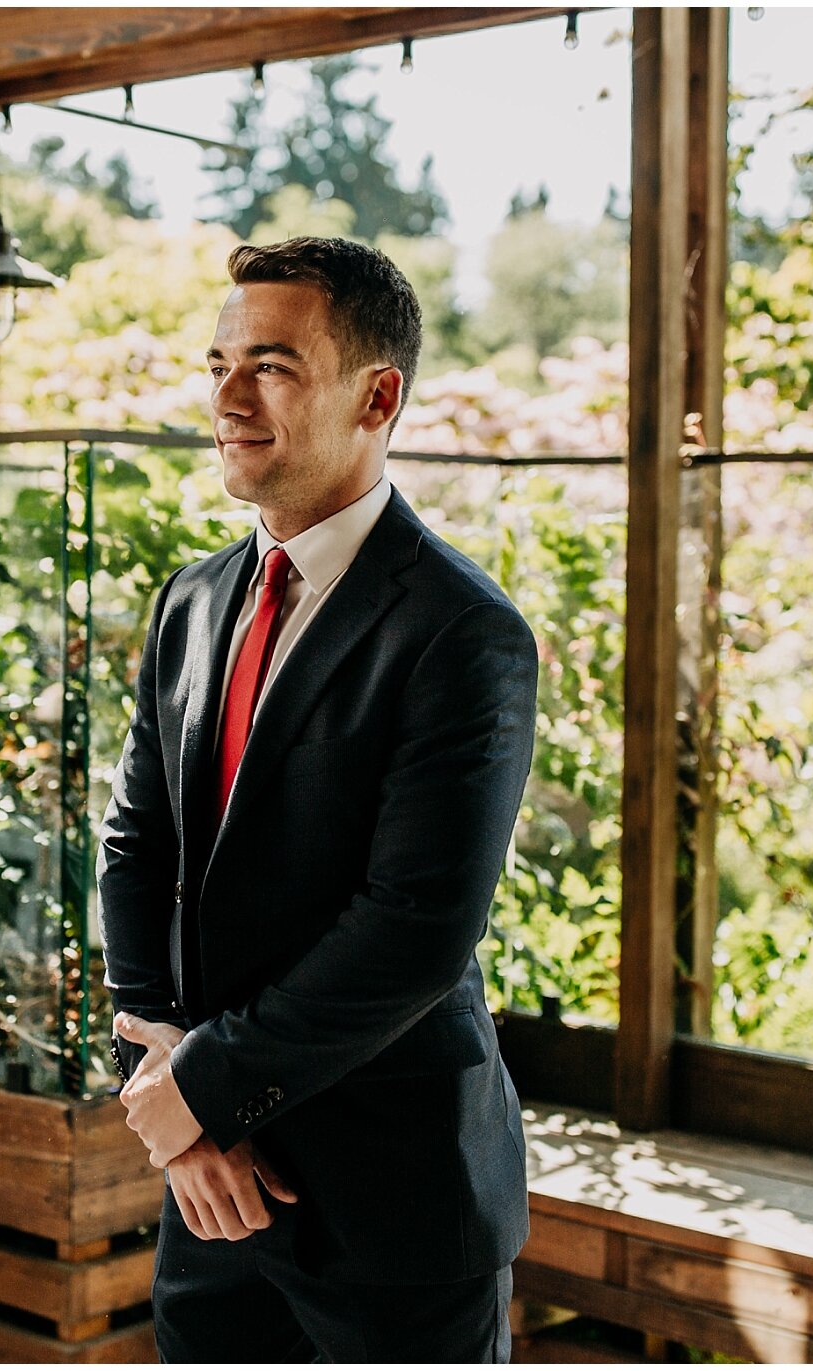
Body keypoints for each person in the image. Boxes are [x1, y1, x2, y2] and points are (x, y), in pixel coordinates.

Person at [97, 236, 538, 1363]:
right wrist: (174, 1108)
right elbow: (135, 851)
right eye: (218, 364)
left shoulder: (460, 632)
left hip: (392, 1209)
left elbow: (415, 929)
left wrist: (205, 1087)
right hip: (207, 1198)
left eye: (274, 367)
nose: (228, 399)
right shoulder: (188, 604)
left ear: (375, 395)